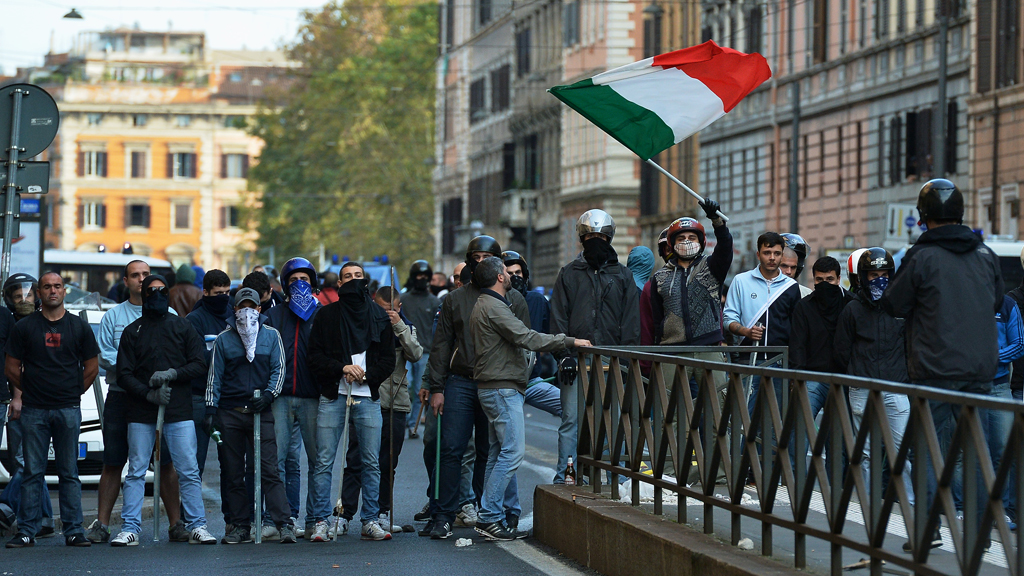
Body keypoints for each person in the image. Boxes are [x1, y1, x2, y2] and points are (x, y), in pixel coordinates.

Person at [880, 178, 1003, 550]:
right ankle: (980, 535)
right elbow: (996, 301)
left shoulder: (921, 257)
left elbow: (893, 304)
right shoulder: (985, 254)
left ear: (923, 217)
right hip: (980, 370)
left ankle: (927, 530)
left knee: (928, 447)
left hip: (935, 368)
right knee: (977, 451)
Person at [469, 257, 590, 540]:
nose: (511, 276)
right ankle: (488, 516)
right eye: (506, 272)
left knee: (498, 453)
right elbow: (527, 337)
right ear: (500, 277)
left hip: (495, 386)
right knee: (513, 453)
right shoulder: (494, 307)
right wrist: (569, 341)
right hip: (501, 388)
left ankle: (492, 514)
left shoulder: (486, 304)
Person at [426, 236, 532, 539]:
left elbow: (525, 343)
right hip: (460, 381)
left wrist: (519, 386)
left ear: (498, 262)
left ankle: (496, 514)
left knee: (492, 451)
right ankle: (443, 513)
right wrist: (437, 387)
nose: (481, 261)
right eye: (476, 256)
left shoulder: (516, 300)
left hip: (498, 384)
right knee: (450, 448)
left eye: (488, 256)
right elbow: (441, 345)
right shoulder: (455, 299)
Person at [112, 275, 216, 546]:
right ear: (143, 295)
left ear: (167, 294)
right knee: (136, 470)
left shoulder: (182, 327)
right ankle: (130, 526)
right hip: (141, 411)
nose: (156, 295)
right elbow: (123, 373)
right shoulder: (132, 331)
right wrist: (148, 392)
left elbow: (198, 364)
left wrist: (174, 373)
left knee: (188, 469)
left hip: (178, 410)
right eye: (151, 291)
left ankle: (197, 525)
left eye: (161, 291)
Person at [88, 260, 183, 544]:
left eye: (145, 274)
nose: (141, 280)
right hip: (121, 396)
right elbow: (104, 355)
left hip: (157, 401)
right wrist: (136, 372)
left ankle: (176, 524)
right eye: (135, 275)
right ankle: (102, 524)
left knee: (165, 462)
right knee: (113, 461)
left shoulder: (172, 314)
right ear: (126, 281)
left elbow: (176, 354)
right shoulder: (113, 317)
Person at [5, 272, 99, 548]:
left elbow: (92, 368)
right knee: (33, 473)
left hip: (68, 409)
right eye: (47, 287)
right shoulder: (24, 328)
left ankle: (74, 531)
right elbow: (11, 367)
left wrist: (72, 392)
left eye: (57, 286)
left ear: (64, 291)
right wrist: (32, 390)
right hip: (34, 410)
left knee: (69, 472)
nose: (53, 291)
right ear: (39, 292)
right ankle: (26, 531)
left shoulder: (78, 327)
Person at [307, 262, 396, 542]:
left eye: (358, 276)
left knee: (371, 462)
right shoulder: (326, 316)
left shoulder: (380, 318)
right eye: (348, 277)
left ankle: (370, 520)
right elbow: (315, 357)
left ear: (365, 281)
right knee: (323, 461)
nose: (354, 281)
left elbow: (388, 360)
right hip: (334, 396)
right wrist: (342, 368)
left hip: (367, 397)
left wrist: (368, 376)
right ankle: (321, 520)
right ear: (340, 283)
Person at [549, 209, 641, 484]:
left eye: (601, 236)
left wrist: (625, 361)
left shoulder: (624, 276)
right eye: (590, 236)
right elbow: (558, 317)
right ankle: (566, 474)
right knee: (571, 422)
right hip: (574, 363)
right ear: (581, 238)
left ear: (609, 237)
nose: (595, 240)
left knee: (612, 421)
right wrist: (563, 354)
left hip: (611, 362)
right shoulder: (568, 273)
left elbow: (631, 323)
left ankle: (614, 478)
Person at [205, 287, 296, 544]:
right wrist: (210, 410)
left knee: (269, 469)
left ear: (259, 309)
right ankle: (240, 525)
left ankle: (283, 523)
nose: (247, 312)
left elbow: (279, 369)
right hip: (230, 413)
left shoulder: (271, 336)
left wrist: (269, 395)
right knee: (233, 473)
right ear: (234, 310)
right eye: (241, 306)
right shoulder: (223, 340)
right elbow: (215, 378)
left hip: (261, 412)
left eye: (251, 306)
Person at [833, 248, 914, 509]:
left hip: (895, 385)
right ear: (862, 278)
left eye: (883, 274)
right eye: (872, 275)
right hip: (861, 386)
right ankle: (868, 506)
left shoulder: (902, 307)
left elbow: (910, 345)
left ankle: (910, 504)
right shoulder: (852, 310)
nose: (878, 279)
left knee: (902, 451)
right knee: (866, 453)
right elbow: (841, 350)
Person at [643, 203, 732, 391]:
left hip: (709, 348)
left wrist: (717, 221)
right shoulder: (659, 278)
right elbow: (657, 320)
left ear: (701, 242)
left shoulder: (712, 267)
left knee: (718, 408)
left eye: (692, 237)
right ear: (672, 244)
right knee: (670, 412)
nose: (686, 241)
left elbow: (725, 247)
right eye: (681, 238)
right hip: (672, 351)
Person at [264, 257, 321, 537]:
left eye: (305, 280)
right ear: (285, 285)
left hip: (312, 397)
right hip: (281, 396)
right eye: (294, 280)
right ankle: (277, 519)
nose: (300, 284)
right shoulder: (274, 316)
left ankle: (313, 518)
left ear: (313, 284)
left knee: (315, 461)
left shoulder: (321, 314)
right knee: (279, 460)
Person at [723, 232, 802, 416]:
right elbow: (728, 319)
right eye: (767, 252)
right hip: (748, 360)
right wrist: (746, 331)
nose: (772, 258)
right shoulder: (741, 281)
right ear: (758, 254)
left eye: (776, 253)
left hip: (780, 363)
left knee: (775, 422)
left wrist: (794, 366)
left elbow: (796, 329)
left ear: (782, 254)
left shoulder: (791, 287)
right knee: (745, 419)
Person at [0, 274, 54, 537]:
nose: (23, 299)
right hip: (20, 400)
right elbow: (13, 366)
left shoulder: (44, 321)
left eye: (28, 294)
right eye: (17, 295)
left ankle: (5, 505)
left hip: (34, 401)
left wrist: (18, 397)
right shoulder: (12, 323)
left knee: (27, 461)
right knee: (28, 461)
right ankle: (44, 518)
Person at [371, 286, 422, 528]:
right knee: (362, 459)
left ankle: (383, 510)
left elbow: (415, 354)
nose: (386, 314)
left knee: (388, 461)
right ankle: (354, 511)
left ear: (398, 308)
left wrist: (398, 325)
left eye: (390, 310)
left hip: (396, 402)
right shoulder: (367, 325)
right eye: (382, 310)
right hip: (370, 399)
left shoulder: (407, 327)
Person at [788, 257, 854, 422]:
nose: (824, 284)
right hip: (812, 377)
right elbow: (798, 346)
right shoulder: (804, 307)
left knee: (838, 436)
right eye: (820, 280)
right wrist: (796, 380)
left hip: (844, 380)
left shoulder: (852, 304)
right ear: (814, 280)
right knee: (799, 426)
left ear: (839, 279)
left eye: (829, 279)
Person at [186, 269, 233, 478]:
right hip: (200, 396)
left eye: (227, 292)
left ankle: (233, 512)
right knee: (195, 462)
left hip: (229, 397)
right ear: (205, 292)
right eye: (218, 293)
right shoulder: (195, 320)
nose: (223, 298)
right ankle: (189, 511)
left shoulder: (234, 315)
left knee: (232, 465)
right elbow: (197, 359)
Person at [502, 250, 561, 418]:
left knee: (574, 409)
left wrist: (562, 361)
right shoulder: (493, 303)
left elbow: (553, 334)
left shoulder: (537, 301)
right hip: (503, 384)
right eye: (509, 273)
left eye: (518, 273)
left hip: (532, 381)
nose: (515, 277)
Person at [401, 260, 439, 434]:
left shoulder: (434, 302)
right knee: (405, 385)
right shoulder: (404, 300)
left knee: (419, 390)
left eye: (425, 276)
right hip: (405, 351)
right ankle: (405, 419)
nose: (421, 279)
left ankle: (411, 424)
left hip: (426, 352)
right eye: (418, 276)